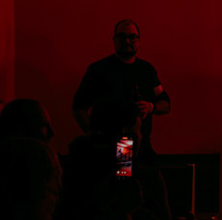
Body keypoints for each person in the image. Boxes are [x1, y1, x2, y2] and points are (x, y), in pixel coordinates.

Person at [72, 20, 170, 159]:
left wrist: (151, 107)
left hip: (142, 146)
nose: (127, 41)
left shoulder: (147, 70)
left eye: (132, 37)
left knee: (144, 172)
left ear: (139, 40)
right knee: (125, 172)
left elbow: (166, 104)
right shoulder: (98, 70)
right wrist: (95, 136)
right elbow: (78, 108)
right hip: (112, 147)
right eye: (122, 36)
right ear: (114, 40)